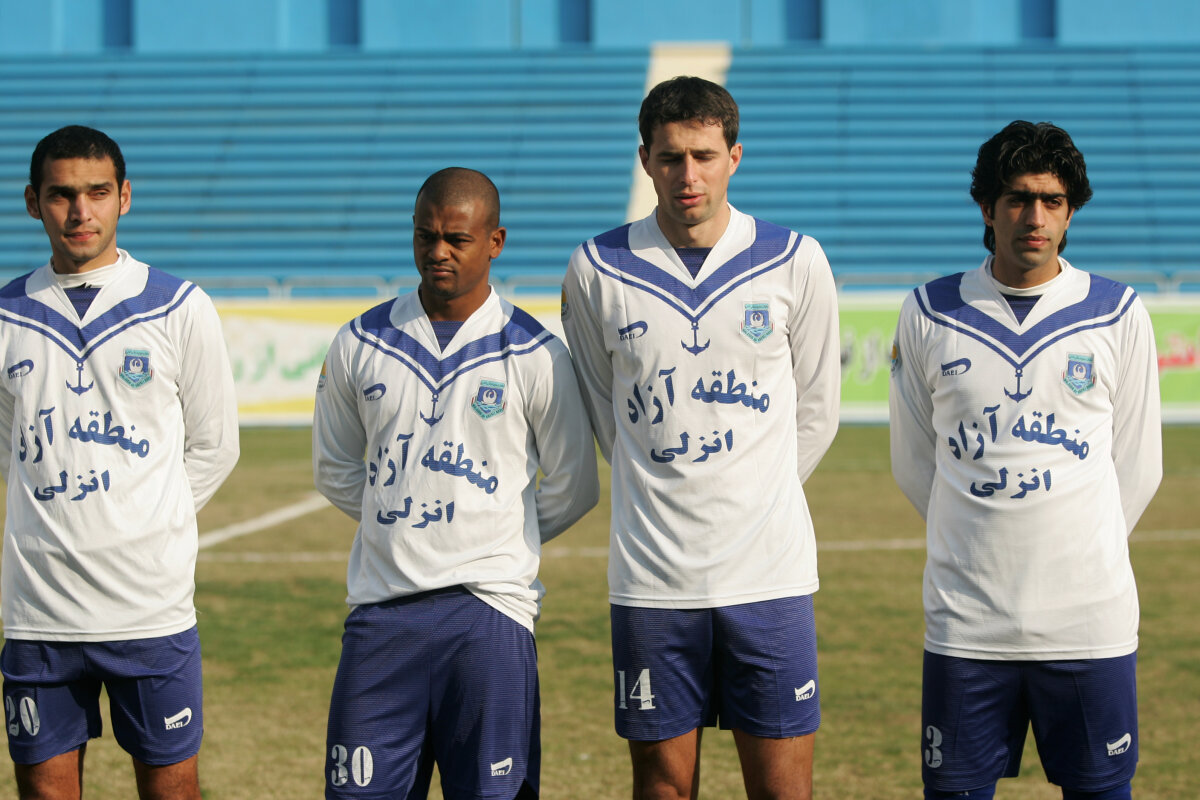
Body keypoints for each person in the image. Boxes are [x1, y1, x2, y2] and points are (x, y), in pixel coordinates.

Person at [561, 76, 841, 800]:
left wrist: (753, 492)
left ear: (734, 157)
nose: (689, 175)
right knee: (662, 788)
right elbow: (604, 412)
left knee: (782, 791)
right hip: (653, 580)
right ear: (646, 161)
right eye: (671, 157)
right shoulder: (596, 268)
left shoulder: (795, 259)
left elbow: (817, 409)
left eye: (705, 156)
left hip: (770, 576)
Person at [889, 121, 1163, 800]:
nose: (1034, 217)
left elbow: (1137, 465)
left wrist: (1078, 549)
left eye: (1051, 200)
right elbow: (915, 462)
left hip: (1088, 624)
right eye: (1017, 198)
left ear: (1070, 212)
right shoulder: (929, 312)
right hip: (967, 624)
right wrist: (981, 541)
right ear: (987, 208)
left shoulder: (1118, 313)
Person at [313, 167, 599, 800]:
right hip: (382, 612)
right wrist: (405, 521)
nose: (438, 251)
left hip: (489, 615)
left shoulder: (536, 353)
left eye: (457, 239)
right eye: (426, 236)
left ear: (495, 242)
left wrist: (488, 532)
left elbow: (574, 485)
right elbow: (334, 468)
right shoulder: (360, 341)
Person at [0, 125, 240, 799]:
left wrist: (144, 519)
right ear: (33, 202)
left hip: (148, 609)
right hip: (39, 612)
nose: (81, 211)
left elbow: (215, 446)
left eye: (97, 192)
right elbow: (9, 450)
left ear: (124, 197)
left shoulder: (179, 307)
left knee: (171, 790)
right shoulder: (7, 314)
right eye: (62, 195)